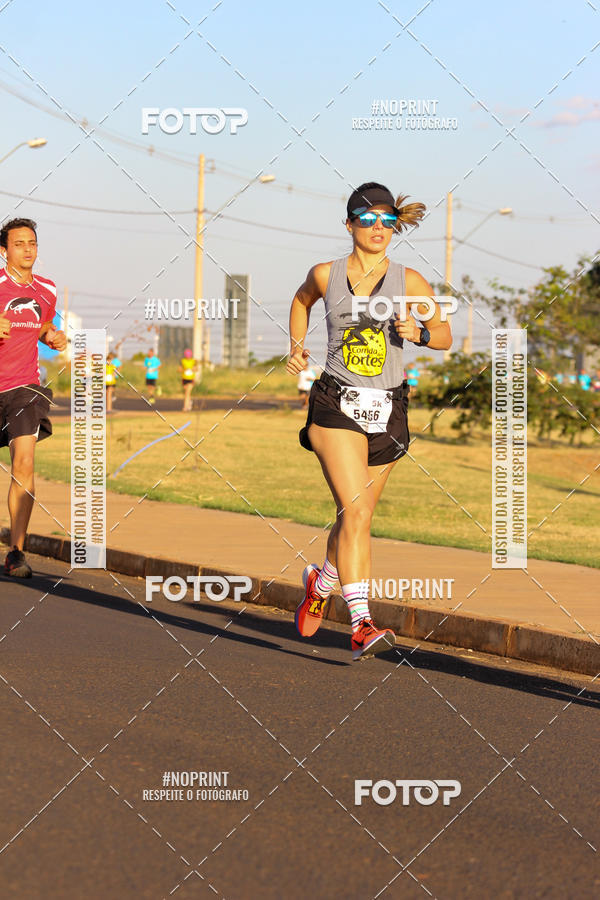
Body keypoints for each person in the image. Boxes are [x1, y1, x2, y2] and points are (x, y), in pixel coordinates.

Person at [287, 183, 452, 661]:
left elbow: (443, 336)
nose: (378, 227)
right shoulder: (325, 274)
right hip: (334, 404)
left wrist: (419, 331)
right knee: (356, 511)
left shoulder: (411, 281)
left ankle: (323, 579)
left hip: (390, 409)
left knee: (354, 515)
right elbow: (301, 302)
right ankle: (361, 624)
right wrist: (296, 346)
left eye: (386, 220)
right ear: (349, 225)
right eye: (367, 218)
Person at [0, 218, 66, 577]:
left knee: (23, 463)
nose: (27, 249)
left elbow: (40, 324)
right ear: (3, 250)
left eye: (32, 243)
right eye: (19, 243)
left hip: (23, 387)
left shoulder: (47, 288)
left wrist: (51, 335)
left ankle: (16, 552)